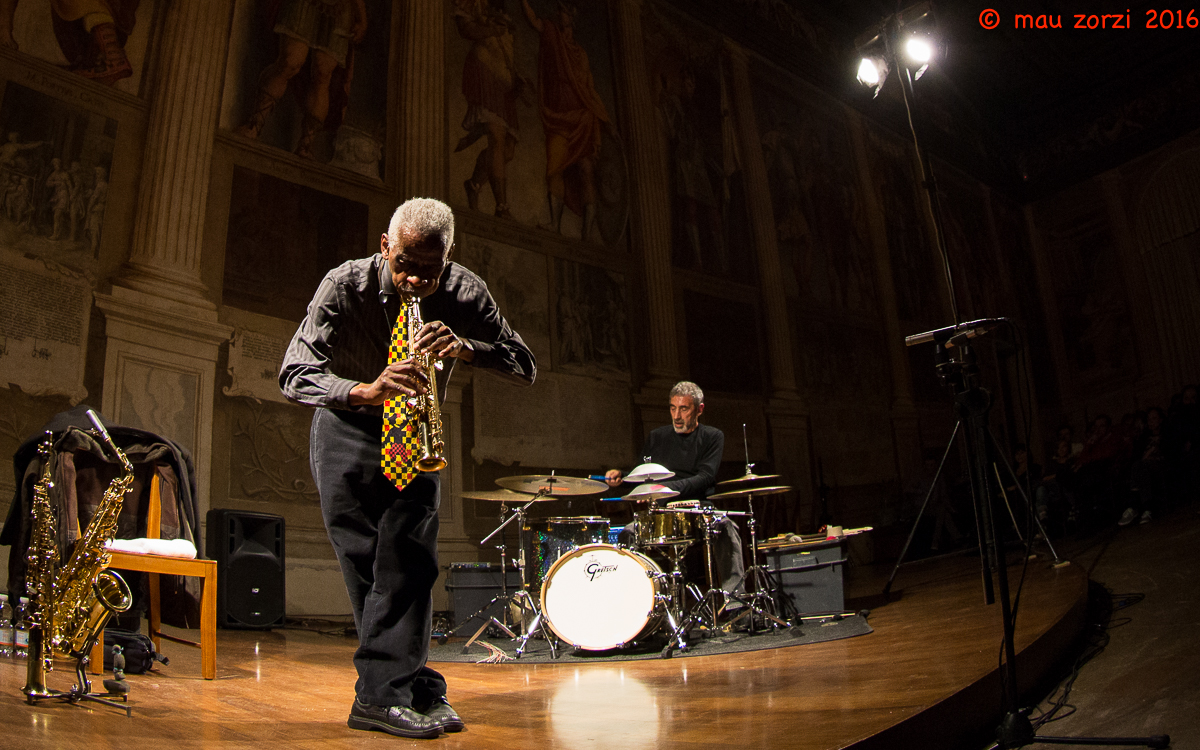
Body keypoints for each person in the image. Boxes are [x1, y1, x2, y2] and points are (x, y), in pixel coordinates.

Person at [280, 198, 535, 739]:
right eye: (404, 265)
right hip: (347, 429)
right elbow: (294, 372)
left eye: (429, 269)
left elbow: (524, 363)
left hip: (418, 433)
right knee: (368, 566)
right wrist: (362, 391)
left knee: (410, 565)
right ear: (384, 246)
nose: (415, 279)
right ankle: (408, 686)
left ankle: (383, 695)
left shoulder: (465, 290)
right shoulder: (344, 285)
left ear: (448, 258)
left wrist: (467, 349)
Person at [605, 381, 744, 599]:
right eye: (672, 408)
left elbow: (706, 476)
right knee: (627, 534)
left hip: (698, 510)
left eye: (684, 409)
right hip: (661, 512)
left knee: (727, 529)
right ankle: (639, 603)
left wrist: (665, 488)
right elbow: (643, 473)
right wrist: (622, 478)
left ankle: (735, 602)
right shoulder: (657, 437)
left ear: (699, 409)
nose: (677, 416)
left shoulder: (712, 436)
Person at [520, 0, 610, 241]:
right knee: (554, 169)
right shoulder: (551, 33)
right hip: (558, 117)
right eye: (558, 9)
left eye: (564, 10)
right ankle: (554, 224)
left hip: (582, 116)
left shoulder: (580, 54)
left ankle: (587, 232)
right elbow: (534, 22)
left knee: (586, 171)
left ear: (572, 15)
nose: (559, 14)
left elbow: (589, 89)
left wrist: (601, 118)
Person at [236, 0, 368, 159]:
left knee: (322, 73)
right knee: (290, 61)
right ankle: (254, 124)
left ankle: (306, 144)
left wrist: (362, 17)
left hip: (341, 7)